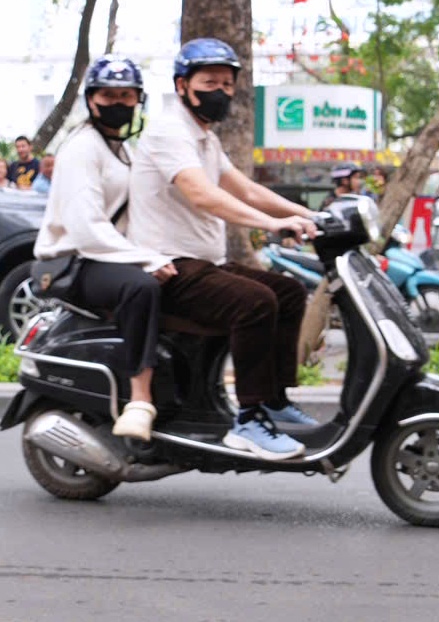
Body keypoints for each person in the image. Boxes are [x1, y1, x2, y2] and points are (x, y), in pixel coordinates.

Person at [130, 37, 318, 458]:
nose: (221, 92)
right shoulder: (169, 131)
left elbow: (246, 190)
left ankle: (274, 401)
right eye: (210, 82)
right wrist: (273, 224)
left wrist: (309, 214)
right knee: (254, 303)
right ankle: (248, 420)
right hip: (168, 267)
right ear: (182, 86)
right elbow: (202, 194)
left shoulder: (205, 138)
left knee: (288, 292)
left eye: (228, 84)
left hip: (202, 264)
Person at [34, 57, 171, 440]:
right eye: (109, 95)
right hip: (73, 261)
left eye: (126, 95)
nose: (118, 103)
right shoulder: (82, 148)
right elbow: (87, 230)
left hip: (100, 255)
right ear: (92, 101)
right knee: (140, 287)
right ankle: (140, 399)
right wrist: (147, 260)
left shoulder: (122, 150)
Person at [327, 163, 382, 237]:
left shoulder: (358, 199)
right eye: (356, 177)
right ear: (345, 180)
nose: (359, 181)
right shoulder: (330, 204)